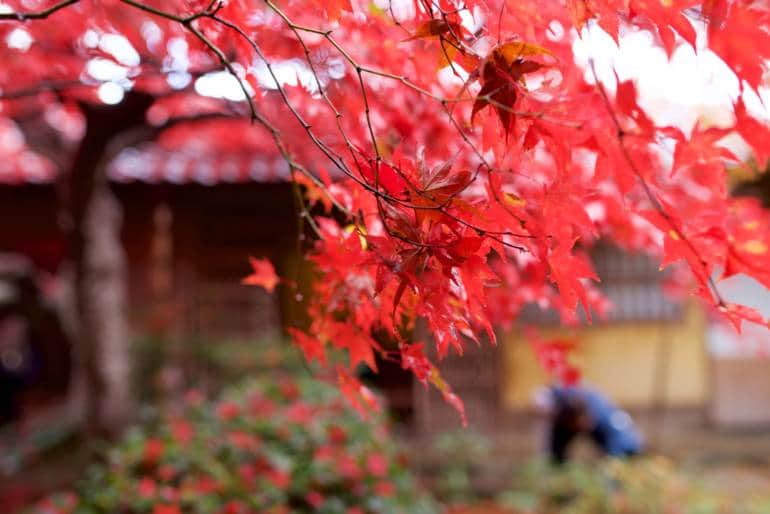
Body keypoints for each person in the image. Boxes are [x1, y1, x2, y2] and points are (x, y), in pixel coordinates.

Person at [534, 384, 644, 464]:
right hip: (570, 412)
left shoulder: (603, 412)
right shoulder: (562, 419)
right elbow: (555, 456)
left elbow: (626, 446)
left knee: (622, 456)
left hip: (626, 446)